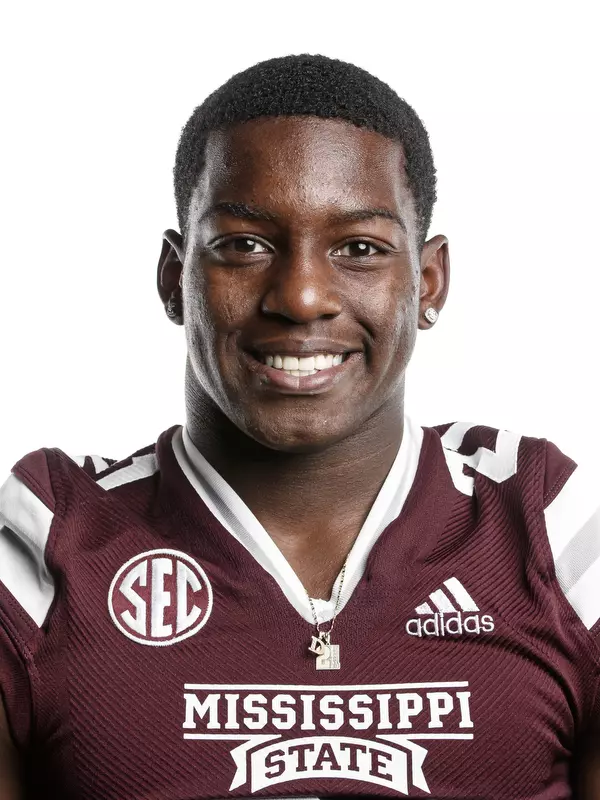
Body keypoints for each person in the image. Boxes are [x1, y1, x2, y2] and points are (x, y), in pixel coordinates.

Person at [0, 53, 598, 800]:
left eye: (359, 248)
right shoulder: (50, 542)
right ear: (172, 278)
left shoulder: (547, 531)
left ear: (429, 281)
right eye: (244, 245)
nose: (302, 296)